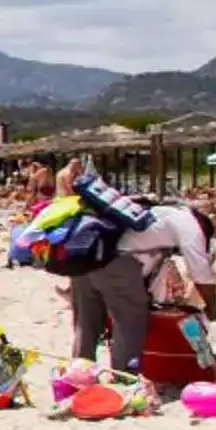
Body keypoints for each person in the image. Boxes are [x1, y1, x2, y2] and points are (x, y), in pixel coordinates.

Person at [56, 159, 159, 375]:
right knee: (128, 316)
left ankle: (79, 374)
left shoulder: (66, 188)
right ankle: (122, 376)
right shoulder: (101, 194)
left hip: (80, 257)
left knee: (85, 322)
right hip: (110, 258)